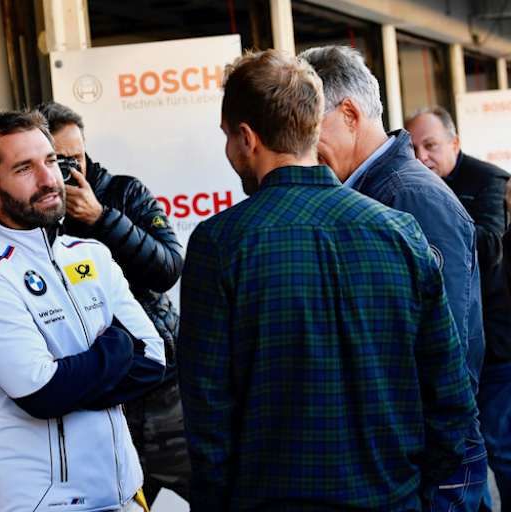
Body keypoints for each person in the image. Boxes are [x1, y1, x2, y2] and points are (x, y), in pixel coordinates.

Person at [178, 48, 476, 511]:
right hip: (394, 497)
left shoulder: (220, 244)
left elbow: (208, 413)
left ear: (247, 137)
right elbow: (450, 393)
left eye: (227, 135)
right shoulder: (400, 232)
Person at [300, 45, 489, 511]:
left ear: (349, 114)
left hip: (428, 459)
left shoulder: (408, 197)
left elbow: (451, 349)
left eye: (309, 126)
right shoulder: (377, 192)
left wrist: (422, 455)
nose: (302, 144)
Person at [0, 110, 166, 512]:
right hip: (42, 503)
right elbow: (42, 394)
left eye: (50, 160)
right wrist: (118, 347)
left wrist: (74, 378)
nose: (49, 178)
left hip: (123, 494)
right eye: (24, 168)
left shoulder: (91, 254)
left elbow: (153, 360)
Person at [37, 101, 189, 501]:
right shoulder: (35, 217)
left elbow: (169, 267)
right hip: (98, 396)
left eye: (77, 157)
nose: (73, 170)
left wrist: (102, 218)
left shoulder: (124, 192)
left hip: (163, 387)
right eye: (59, 161)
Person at [407, 106, 511, 509]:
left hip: (494, 345)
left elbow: (490, 247)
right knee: (461, 451)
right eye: (414, 148)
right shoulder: (409, 186)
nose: (422, 157)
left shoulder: (487, 178)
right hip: (443, 346)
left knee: (501, 448)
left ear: (455, 143)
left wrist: (438, 208)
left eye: (431, 146)